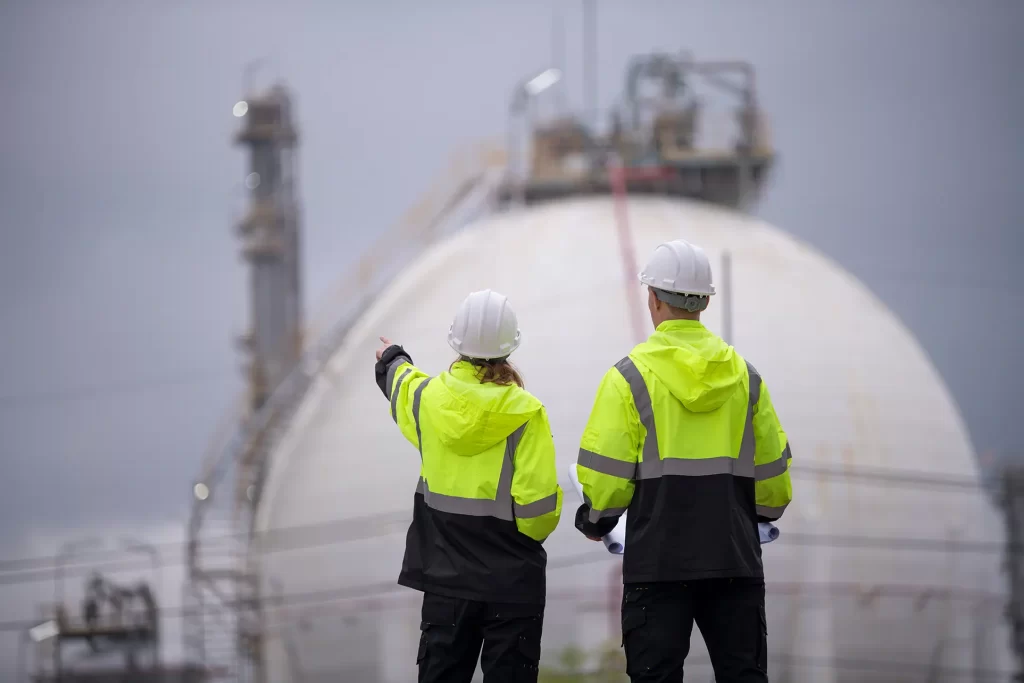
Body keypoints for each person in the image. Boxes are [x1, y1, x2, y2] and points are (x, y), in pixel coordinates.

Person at [573, 239, 793, 683]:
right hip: (734, 560)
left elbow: (607, 480)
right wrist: (761, 516)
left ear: (653, 298)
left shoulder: (628, 378)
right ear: (706, 301)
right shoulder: (746, 378)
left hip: (657, 567)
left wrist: (595, 521)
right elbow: (773, 483)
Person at [374, 289, 563, 683]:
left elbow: (401, 383)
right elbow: (539, 515)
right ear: (508, 348)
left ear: (455, 343)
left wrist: (394, 358)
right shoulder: (527, 414)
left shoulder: (427, 399)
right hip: (513, 586)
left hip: (446, 583)